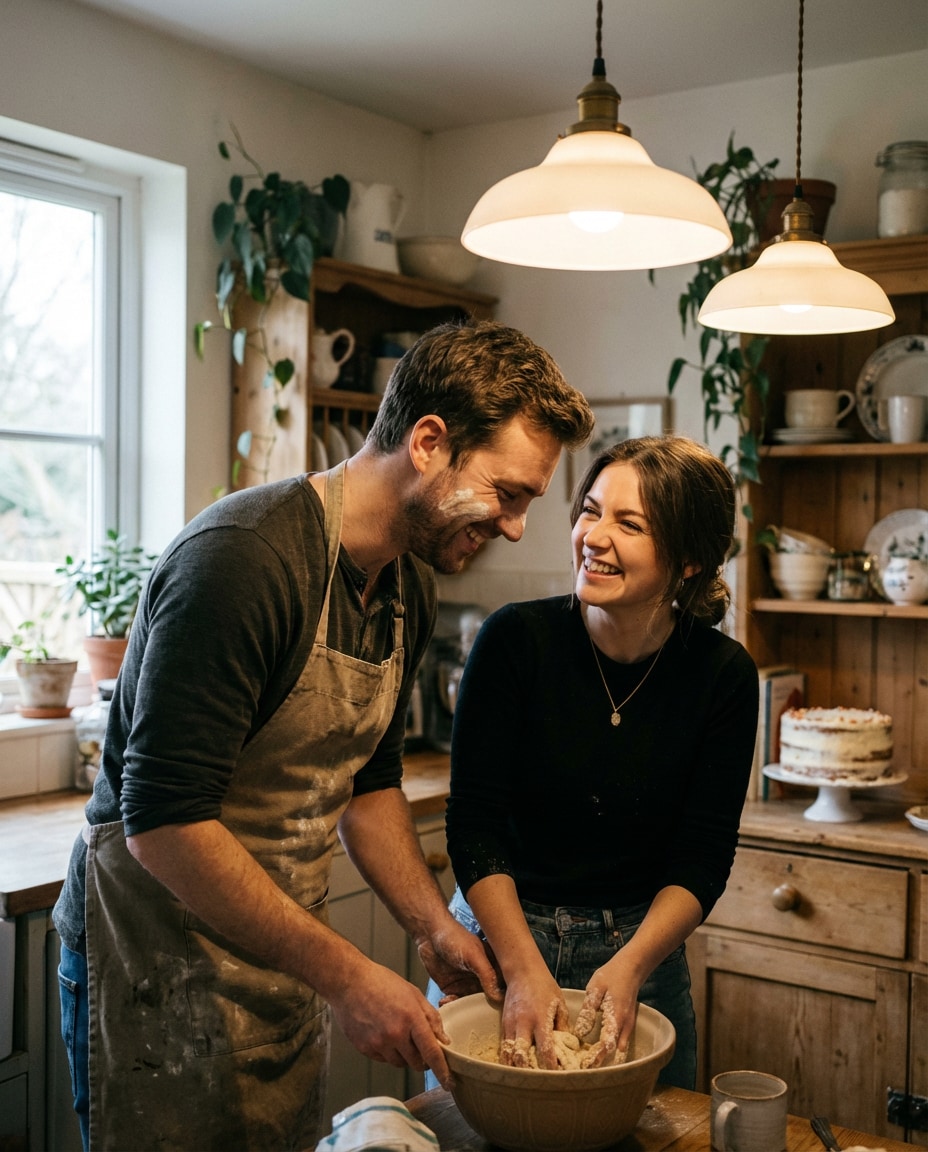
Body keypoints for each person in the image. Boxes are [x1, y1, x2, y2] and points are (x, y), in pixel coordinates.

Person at [51, 318, 594, 1152]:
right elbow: (161, 821)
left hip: (276, 953)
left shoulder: (406, 580)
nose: (517, 525)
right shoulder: (243, 561)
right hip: (155, 958)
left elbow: (368, 786)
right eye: (508, 493)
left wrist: (431, 927)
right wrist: (347, 974)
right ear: (427, 442)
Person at [430, 434, 759, 1087]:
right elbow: (475, 827)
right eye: (590, 510)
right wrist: (523, 965)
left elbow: (703, 856)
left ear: (689, 559)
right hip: (501, 939)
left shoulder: (723, 676)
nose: (593, 536)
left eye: (628, 523)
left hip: (638, 950)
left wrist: (634, 964)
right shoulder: (514, 642)